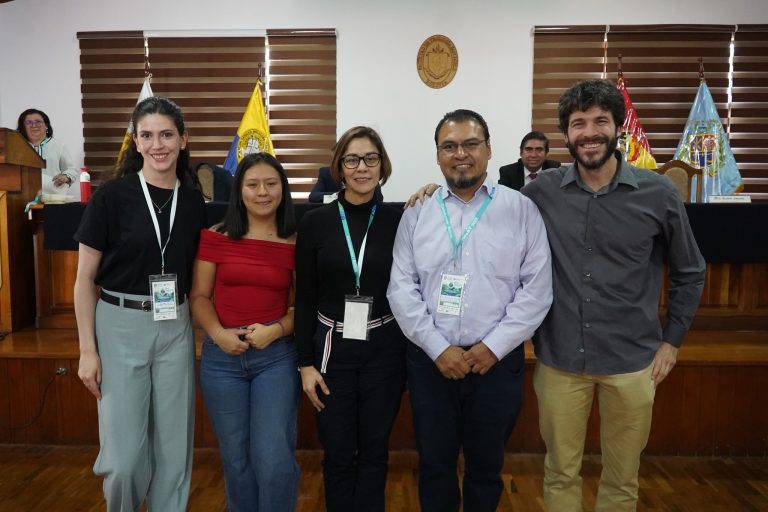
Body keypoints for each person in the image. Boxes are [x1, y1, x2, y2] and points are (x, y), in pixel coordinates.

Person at [520, 79, 706, 511]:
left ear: (618, 127)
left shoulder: (658, 193)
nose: (590, 132)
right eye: (578, 123)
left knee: (622, 481)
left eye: (600, 121)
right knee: (559, 473)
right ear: (565, 134)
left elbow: (690, 270)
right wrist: (434, 193)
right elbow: (489, 213)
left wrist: (672, 341)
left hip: (632, 363)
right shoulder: (542, 191)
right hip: (561, 361)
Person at [387, 109, 553, 512]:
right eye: (449, 146)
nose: (460, 154)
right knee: (435, 467)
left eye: (470, 144)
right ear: (438, 155)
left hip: (495, 364)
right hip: (431, 364)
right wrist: (438, 348)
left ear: (489, 150)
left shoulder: (520, 210)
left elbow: (536, 290)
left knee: (486, 469)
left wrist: (492, 347)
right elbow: (401, 289)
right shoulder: (417, 212)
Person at [74, 96, 206, 512]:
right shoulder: (112, 197)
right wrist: (87, 350)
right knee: (125, 460)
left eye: (166, 134)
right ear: (135, 141)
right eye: (146, 135)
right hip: (119, 325)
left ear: (183, 139)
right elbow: (83, 280)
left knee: (174, 452)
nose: (157, 145)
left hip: (175, 324)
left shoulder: (193, 201)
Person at [296, 126, 407, 511]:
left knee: (375, 452)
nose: (362, 168)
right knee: (339, 454)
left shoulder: (399, 221)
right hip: (332, 350)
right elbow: (305, 297)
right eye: (352, 160)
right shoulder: (315, 222)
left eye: (370, 159)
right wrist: (305, 363)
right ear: (339, 167)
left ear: (382, 165)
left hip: (384, 350)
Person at [190, 152, 300, 512]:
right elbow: (199, 297)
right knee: (235, 458)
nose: (262, 192)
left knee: (273, 457)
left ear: (283, 189)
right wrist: (218, 334)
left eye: (271, 184)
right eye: (253, 184)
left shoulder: (295, 241)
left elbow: (303, 307)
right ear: (239, 191)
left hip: (275, 358)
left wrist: (276, 330)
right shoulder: (215, 236)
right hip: (222, 360)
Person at [16, 108, 79, 198]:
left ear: (46, 126)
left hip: (53, 197)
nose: (34, 125)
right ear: (23, 127)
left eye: (38, 121)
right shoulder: (16, 147)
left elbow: (71, 170)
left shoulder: (58, 146)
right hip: (23, 198)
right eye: (28, 122)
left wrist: (66, 176)